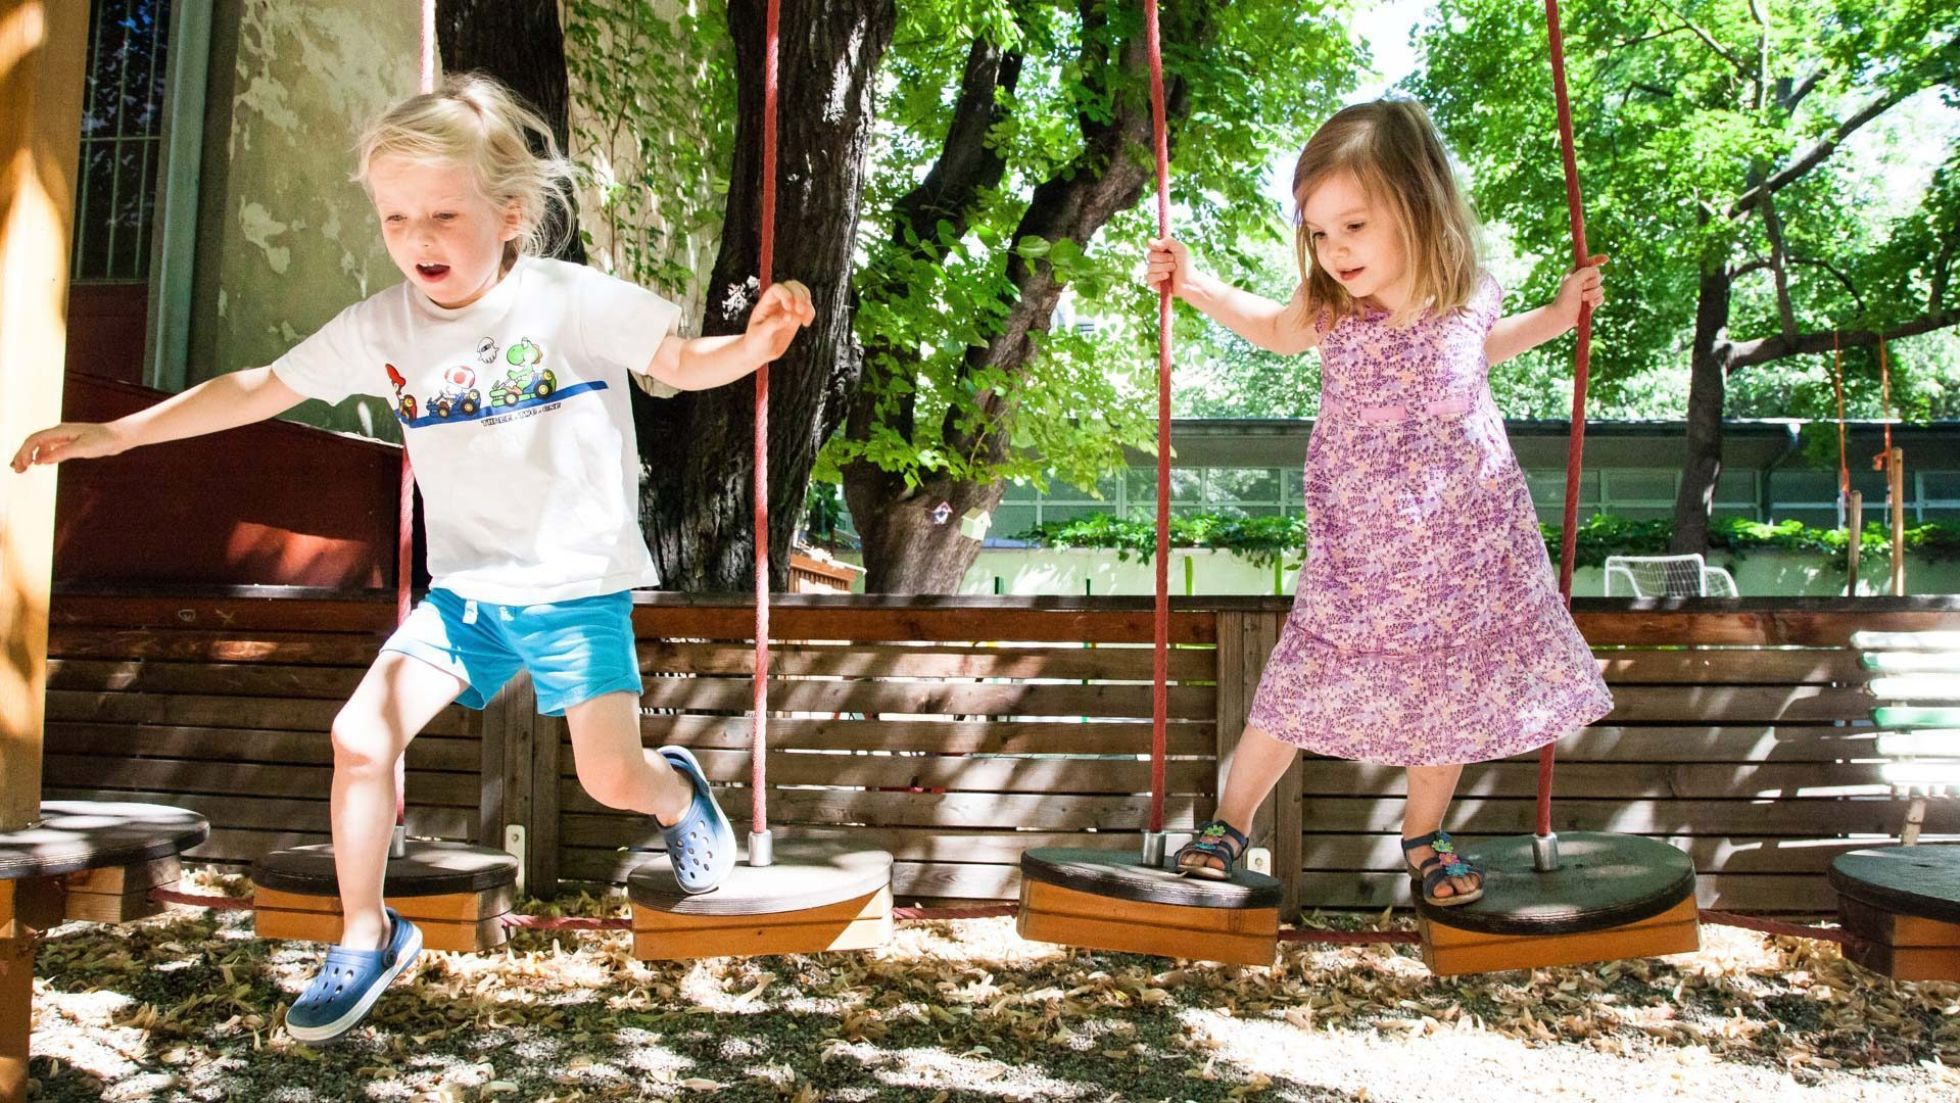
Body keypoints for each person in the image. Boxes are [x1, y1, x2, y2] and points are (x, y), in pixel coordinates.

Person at [10, 73, 814, 1043]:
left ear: (510, 213)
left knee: (610, 780)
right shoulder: (380, 325)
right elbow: (259, 386)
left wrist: (757, 342)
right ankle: (366, 929)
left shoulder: (570, 301)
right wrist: (120, 434)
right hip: (468, 593)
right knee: (359, 736)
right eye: (396, 217)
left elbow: (682, 363)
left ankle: (679, 790)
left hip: (575, 589)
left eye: (442, 213)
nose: (418, 237)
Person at [1143, 99, 1610, 908]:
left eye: (1353, 225)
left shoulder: (1470, 296)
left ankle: (1424, 832)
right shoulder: (1332, 312)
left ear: (1418, 207)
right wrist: (1194, 285)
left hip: (1467, 538)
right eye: (1319, 232)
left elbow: (1480, 353)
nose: (1334, 249)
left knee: (1449, 694)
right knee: (1302, 677)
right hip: (1363, 546)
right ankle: (1229, 821)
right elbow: (1271, 328)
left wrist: (1559, 317)